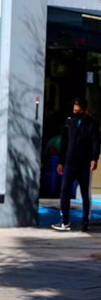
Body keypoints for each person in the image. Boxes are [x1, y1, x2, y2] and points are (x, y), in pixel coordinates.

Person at [52, 97, 100, 233]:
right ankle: (65, 221)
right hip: (69, 162)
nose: (76, 113)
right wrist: (61, 161)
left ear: (85, 110)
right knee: (65, 191)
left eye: (78, 111)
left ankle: (85, 222)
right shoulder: (69, 122)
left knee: (85, 193)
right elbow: (64, 142)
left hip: (84, 164)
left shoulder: (92, 124)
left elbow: (96, 142)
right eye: (74, 110)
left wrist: (94, 158)